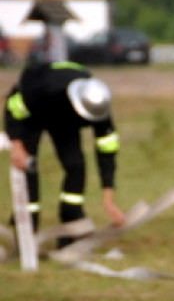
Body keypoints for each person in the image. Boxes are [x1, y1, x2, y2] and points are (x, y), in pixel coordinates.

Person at [4, 61, 125, 244]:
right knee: (28, 166)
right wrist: (17, 145)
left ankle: (70, 224)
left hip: (64, 118)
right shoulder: (43, 90)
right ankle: (26, 225)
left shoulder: (98, 105)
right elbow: (13, 110)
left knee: (76, 166)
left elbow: (106, 150)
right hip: (35, 111)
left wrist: (109, 200)